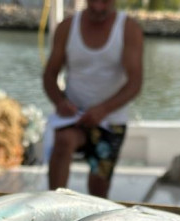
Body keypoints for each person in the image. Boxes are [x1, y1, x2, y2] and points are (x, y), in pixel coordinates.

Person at [42, 0, 144, 198]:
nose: (98, 7)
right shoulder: (67, 27)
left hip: (110, 120)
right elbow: (49, 75)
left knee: (99, 185)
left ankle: (95, 215)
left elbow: (135, 83)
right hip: (75, 116)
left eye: (104, 2)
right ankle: (53, 203)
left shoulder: (128, 29)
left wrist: (103, 110)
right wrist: (60, 102)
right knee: (63, 142)